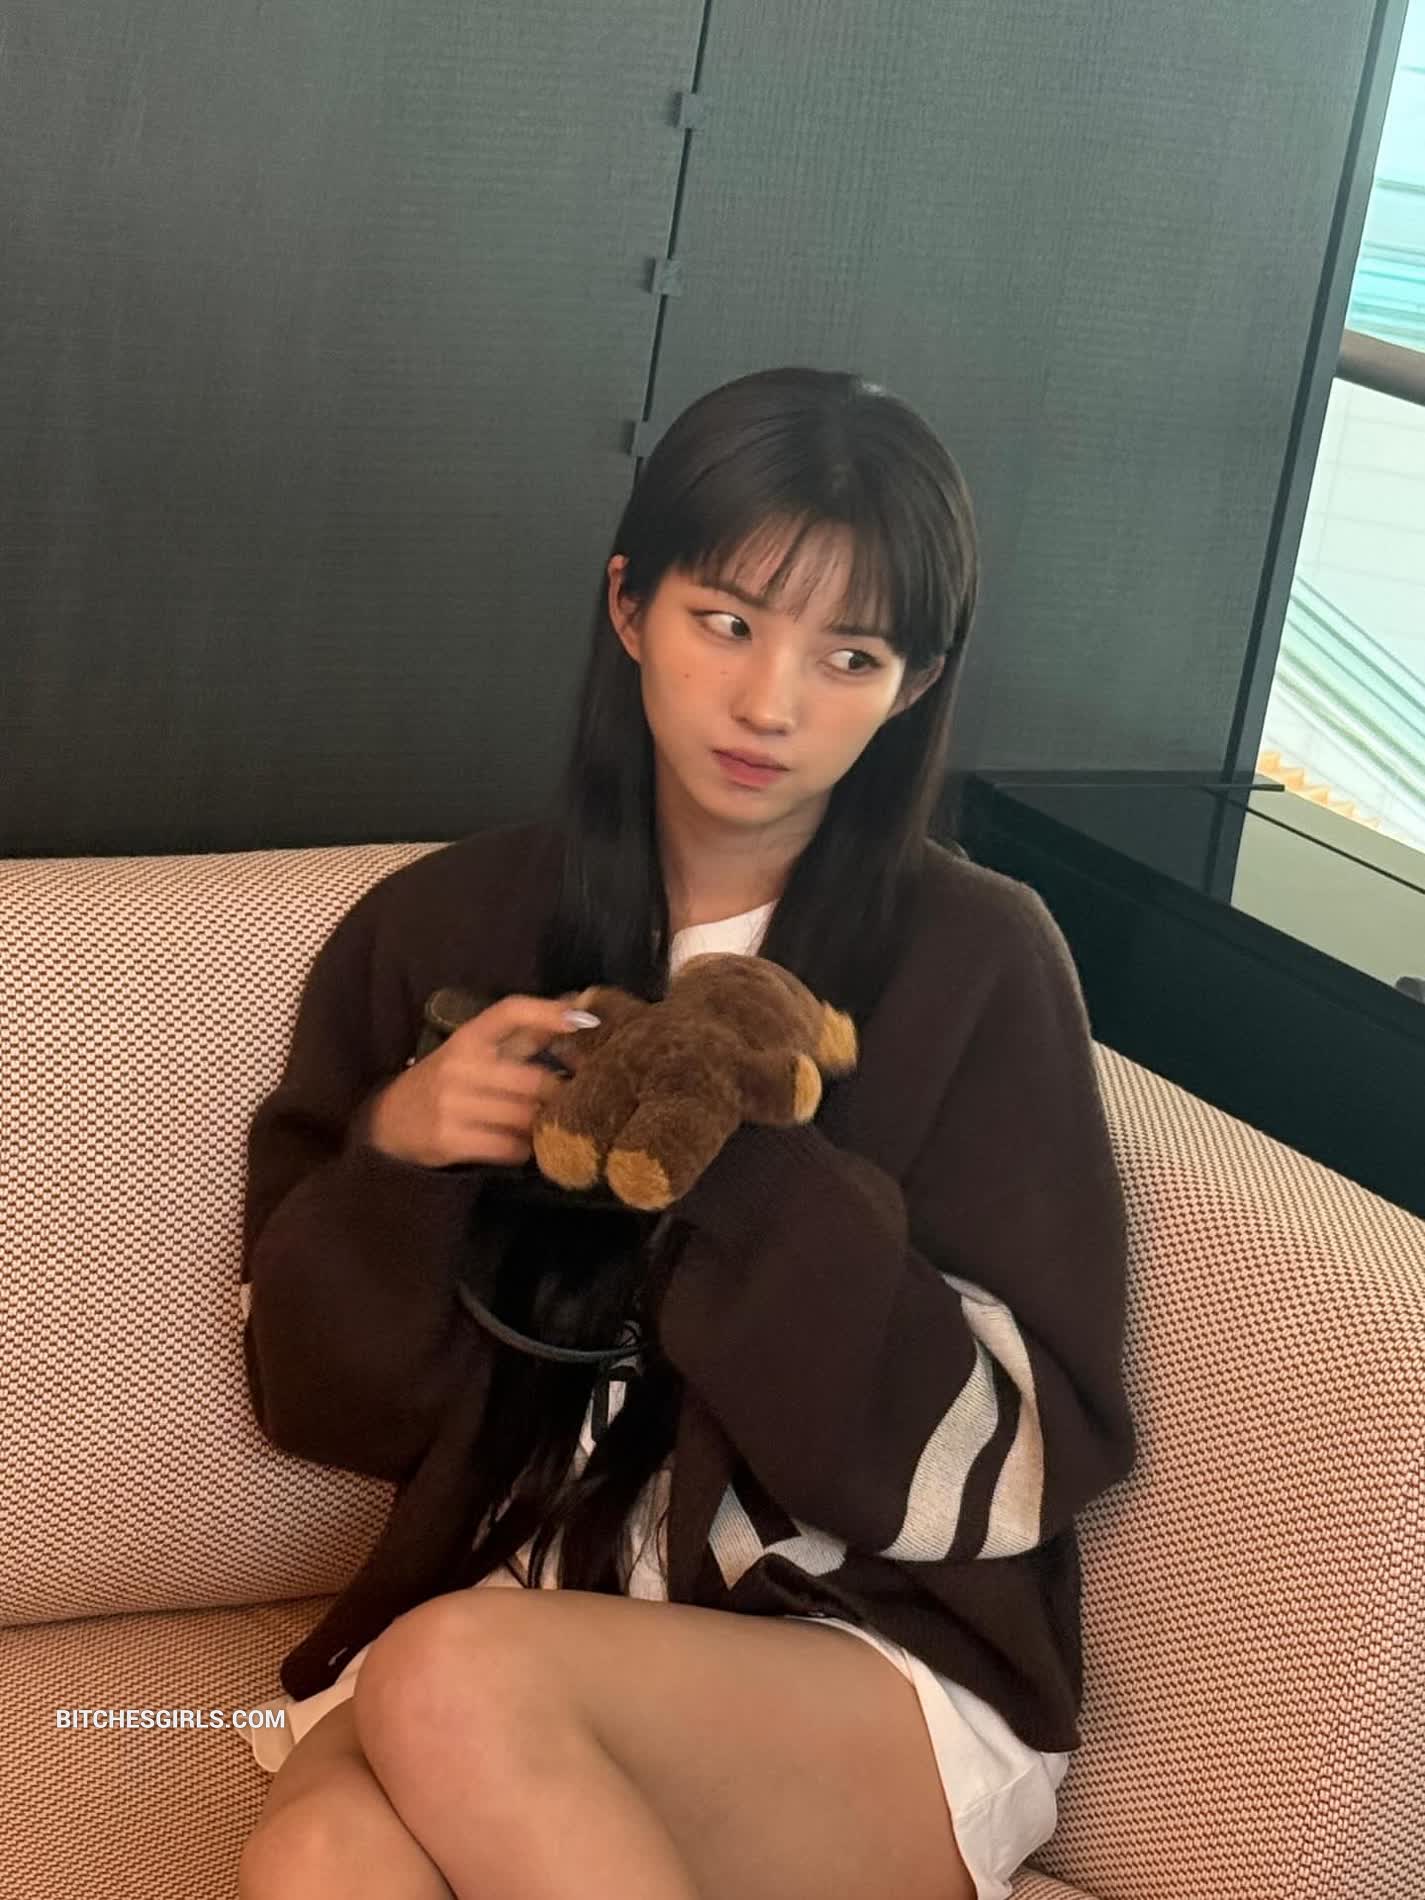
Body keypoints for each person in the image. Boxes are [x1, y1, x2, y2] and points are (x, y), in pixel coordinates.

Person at [235, 365, 1136, 1900]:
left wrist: (744, 1165)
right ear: (629, 605)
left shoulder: (977, 961)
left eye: (848, 656)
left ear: (911, 686)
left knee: (448, 1673)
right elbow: (317, 1410)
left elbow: (1009, 1455)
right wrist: (398, 1156)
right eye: (726, 622)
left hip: (866, 1652)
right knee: (316, 1856)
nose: (771, 704)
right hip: (536, 1601)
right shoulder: (442, 930)